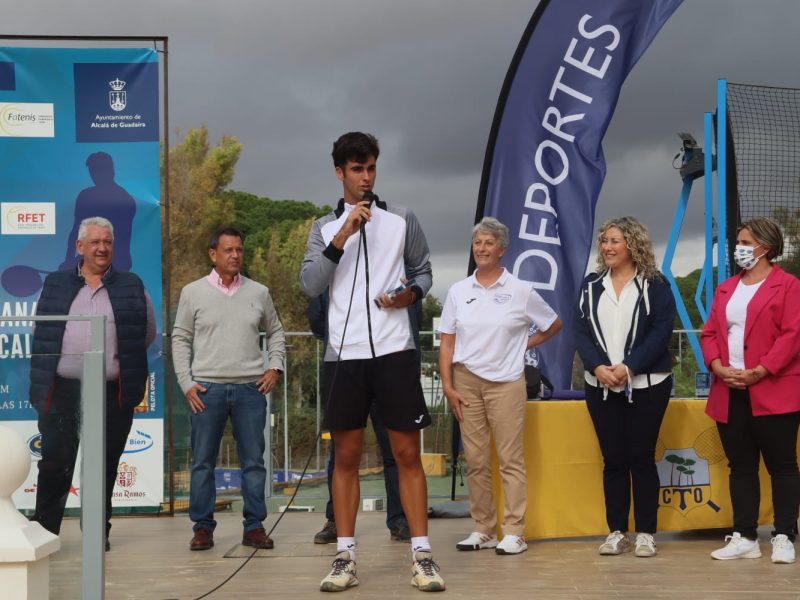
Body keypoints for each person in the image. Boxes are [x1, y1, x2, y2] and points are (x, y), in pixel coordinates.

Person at [300, 132, 444, 592]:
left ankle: (422, 554)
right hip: (344, 356)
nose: (366, 177)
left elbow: (423, 270)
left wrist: (410, 294)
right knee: (344, 455)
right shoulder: (323, 228)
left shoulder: (401, 219)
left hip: (394, 350)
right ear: (340, 173)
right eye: (357, 169)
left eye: (372, 168)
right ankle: (345, 555)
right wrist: (343, 233)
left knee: (406, 454)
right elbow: (309, 284)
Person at [29, 216, 156, 550]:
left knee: (103, 468)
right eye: (96, 242)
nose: (102, 248)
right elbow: (39, 333)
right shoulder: (56, 284)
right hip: (62, 391)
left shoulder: (132, 285)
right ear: (80, 246)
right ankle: (45, 534)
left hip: (111, 392)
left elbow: (146, 334)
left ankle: (97, 533)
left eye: (108, 242)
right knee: (55, 463)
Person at [438, 217, 562, 556]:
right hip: (465, 382)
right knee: (476, 460)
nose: (481, 248)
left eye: (488, 243)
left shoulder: (520, 290)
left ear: (502, 249)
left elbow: (553, 323)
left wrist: (524, 344)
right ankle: (484, 529)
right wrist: (448, 386)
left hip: (506, 382)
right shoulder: (458, 291)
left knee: (510, 459)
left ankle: (515, 531)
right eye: (477, 242)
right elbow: (447, 343)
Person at [172, 226, 285, 552]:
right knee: (203, 463)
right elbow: (180, 338)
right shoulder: (193, 292)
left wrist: (274, 367)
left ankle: (254, 527)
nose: (235, 255)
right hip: (206, 391)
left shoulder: (259, 292)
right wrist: (186, 382)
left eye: (239, 250)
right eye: (228, 250)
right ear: (213, 254)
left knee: (254, 462)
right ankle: (203, 529)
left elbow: (276, 332)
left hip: (251, 389)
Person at [574, 216, 676, 558]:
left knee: (641, 458)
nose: (607, 247)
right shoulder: (590, 285)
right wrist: (598, 367)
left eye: (615, 241)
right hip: (599, 385)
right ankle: (617, 531)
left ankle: (646, 532)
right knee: (614, 459)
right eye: (604, 241)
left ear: (633, 244)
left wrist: (629, 367)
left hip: (648, 385)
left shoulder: (656, 285)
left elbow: (661, 333)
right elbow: (581, 333)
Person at [700, 217, 800, 564]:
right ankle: (744, 536)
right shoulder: (726, 288)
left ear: (766, 248)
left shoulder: (788, 286)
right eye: (738, 241)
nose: (739, 248)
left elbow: (792, 335)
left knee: (782, 465)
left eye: (745, 241)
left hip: (773, 389)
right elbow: (710, 333)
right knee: (740, 466)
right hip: (729, 389)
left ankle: (784, 535)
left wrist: (760, 371)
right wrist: (716, 366)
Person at [307, 292, 411, 544]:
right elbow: (317, 315)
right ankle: (335, 520)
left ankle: (400, 519)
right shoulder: (336, 262)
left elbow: (412, 311)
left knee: (396, 450)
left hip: (389, 365)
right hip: (346, 366)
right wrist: (347, 336)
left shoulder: (395, 266)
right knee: (342, 453)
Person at [60, 152, 137, 272]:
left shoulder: (124, 200)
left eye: (98, 170)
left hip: (116, 267)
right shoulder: (85, 196)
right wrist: (69, 260)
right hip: (92, 265)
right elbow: (76, 231)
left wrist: (71, 260)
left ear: (111, 171)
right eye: (92, 171)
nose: (95, 175)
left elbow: (119, 239)